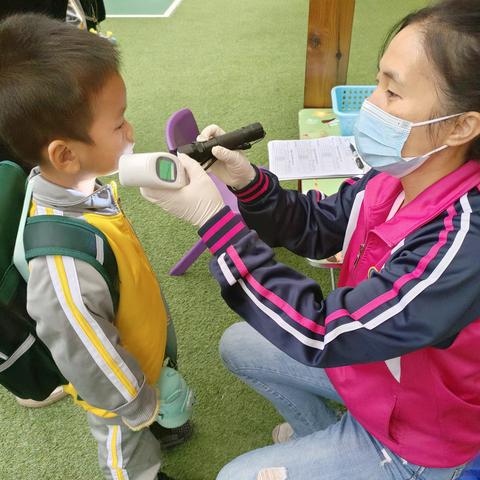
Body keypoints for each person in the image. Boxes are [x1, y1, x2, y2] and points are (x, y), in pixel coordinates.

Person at [140, 0, 480, 478]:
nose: (371, 104)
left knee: (232, 477)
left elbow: (321, 331)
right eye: (378, 82)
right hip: (370, 362)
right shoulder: (394, 178)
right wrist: (246, 183)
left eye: (392, 93)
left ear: (462, 125)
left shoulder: (462, 243)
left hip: (418, 431)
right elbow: (318, 226)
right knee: (240, 345)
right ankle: (321, 438)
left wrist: (214, 222)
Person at [0, 14, 191, 480]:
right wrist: (134, 402)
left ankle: (159, 418)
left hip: (140, 344)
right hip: (118, 391)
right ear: (65, 154)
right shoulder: (62, 265)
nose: (130, 132)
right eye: (119, 124)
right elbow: (88, 353)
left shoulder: (84, 186)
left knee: (149, 401)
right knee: (128, 455)